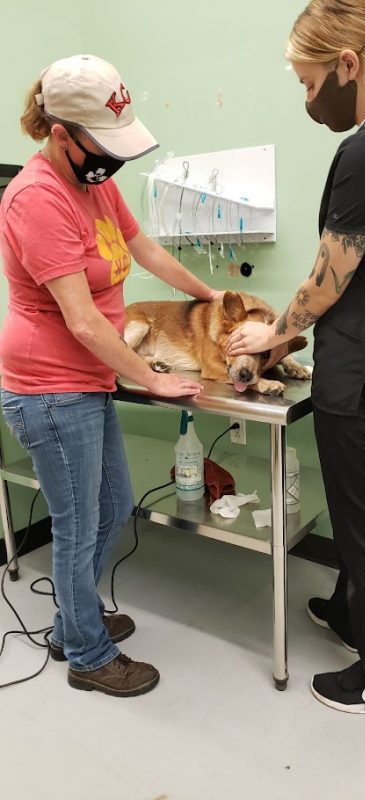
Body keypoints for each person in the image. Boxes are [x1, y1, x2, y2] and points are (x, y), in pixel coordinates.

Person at [227, 0, 365, 718]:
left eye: (308, 80)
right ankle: (349, 615)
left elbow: (328, 280)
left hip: (364, 381)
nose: (307, 95)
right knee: (364, 517)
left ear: (348, 65)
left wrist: (272, 334)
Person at [0, 54, 223, 697]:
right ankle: (88, 656)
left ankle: (73, 620)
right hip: (48, 386)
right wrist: (152, 380)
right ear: (60, 132)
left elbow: (145, 249)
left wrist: (211, 299)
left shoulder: (94, 183)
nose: (112, 162)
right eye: (103, 145)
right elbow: (83, 321)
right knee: (76, 525)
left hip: (87, 380)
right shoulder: (36, 198)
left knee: (114, 506)